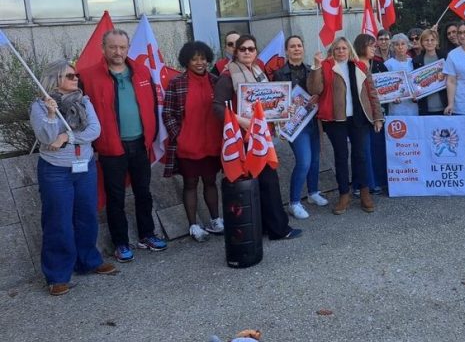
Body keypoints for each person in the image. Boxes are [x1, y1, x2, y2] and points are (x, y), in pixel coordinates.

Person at [79, 29, 167, 263]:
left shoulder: (142, 71)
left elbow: (152, 105)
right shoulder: (87, 76)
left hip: (140, 144)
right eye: (112, 47)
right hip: (110, 149)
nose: (118, 52)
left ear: (128, 48)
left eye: (122, 47)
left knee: (143, 193)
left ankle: (147, 235)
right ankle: (121, 242)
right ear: (103, 48)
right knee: (115, 198)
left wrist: (152, 137)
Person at [31, 60, 116, 296]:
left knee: (87, 215)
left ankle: (89, 261)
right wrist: (50, 114)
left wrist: (66, 138)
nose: (75, 78)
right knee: (57, 221)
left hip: (84, 167)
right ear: (55, 79)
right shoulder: (39, 105)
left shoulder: (83, 101)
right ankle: (57, 275)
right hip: (55, 170)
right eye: (69, 75)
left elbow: (94, 131)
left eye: (75, 74)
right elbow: (47, 137)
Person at [212, 34, 301, 240]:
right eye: (242, 49)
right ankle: (278, 229)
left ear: (255, 52)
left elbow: (269, 100)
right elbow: (217, 107)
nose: (247, 52)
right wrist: (240, 121)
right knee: (263, 181)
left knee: (265, 182)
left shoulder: (258, 72)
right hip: (243, 139)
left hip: (260, 135)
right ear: (236, 52)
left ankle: (265, 227)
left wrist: (282, 109)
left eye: (251, 49)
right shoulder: (227, 76)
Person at [308, 36, 384, 215]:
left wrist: (378, 117)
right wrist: (317, 67)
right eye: (337, 48)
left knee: (361, 156)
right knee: (341, 158)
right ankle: (344, 194)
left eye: (344, 48)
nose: (341, 51)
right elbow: (315, 89)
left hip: (359, 118)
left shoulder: (360, 66)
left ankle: (364, 192)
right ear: (332, 51)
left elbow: (372, 93)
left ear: (349, 50)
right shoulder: (326, 67)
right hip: (336, 120)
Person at [162, 41, 224, 242]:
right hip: (187, 144)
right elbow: (168, 113)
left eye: (203, 58)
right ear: (186, 61)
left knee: (210, 181)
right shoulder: (176, 83)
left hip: (212, 142)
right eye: (194, 59)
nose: (200, 62)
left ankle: (215, 220)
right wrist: (178, 136)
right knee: (190, 183)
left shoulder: (216, 81)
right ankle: (193, 225)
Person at [272, 35, 329, 219]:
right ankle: (294, 202)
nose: (296, 49)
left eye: (299, 46)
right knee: (304, 161)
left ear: (303, 49)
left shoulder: (310, 69)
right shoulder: (279, 73)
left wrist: (317, 96)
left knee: (315, 160)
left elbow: (320, 89)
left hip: (313, 120)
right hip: (295, 125)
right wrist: (284, 109)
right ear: (286, 51)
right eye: (292, 46)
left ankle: (313, 193)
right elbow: (277, 100)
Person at [353, 33, 388, 194]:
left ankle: (374, 182)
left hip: (376, 114)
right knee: (362, 152)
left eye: (375, 45)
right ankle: (362, 185)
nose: (375, 48)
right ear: (362, 47)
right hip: (361, 116)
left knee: (375, 150)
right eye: (371, 45)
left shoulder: (378, 64)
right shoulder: (354, 66)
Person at [412, 28, 448, 115]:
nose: (429, 42)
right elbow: (415, 82)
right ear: (422, 42)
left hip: (445, 105)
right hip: (425, 107)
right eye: (426, 40)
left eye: (432, 40)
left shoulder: (445, 57)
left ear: (437, 42)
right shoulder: (416, 60)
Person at [384, 33, 419, 116]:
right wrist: (391, 97)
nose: (400, 47)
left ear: (407, 46)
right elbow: (385, 85)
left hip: (413, 106)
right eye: (397, 45)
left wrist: (418, 95)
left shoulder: (414, 62)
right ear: (393, 47)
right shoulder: (388, 64)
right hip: (396, 108)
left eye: (403, 44)